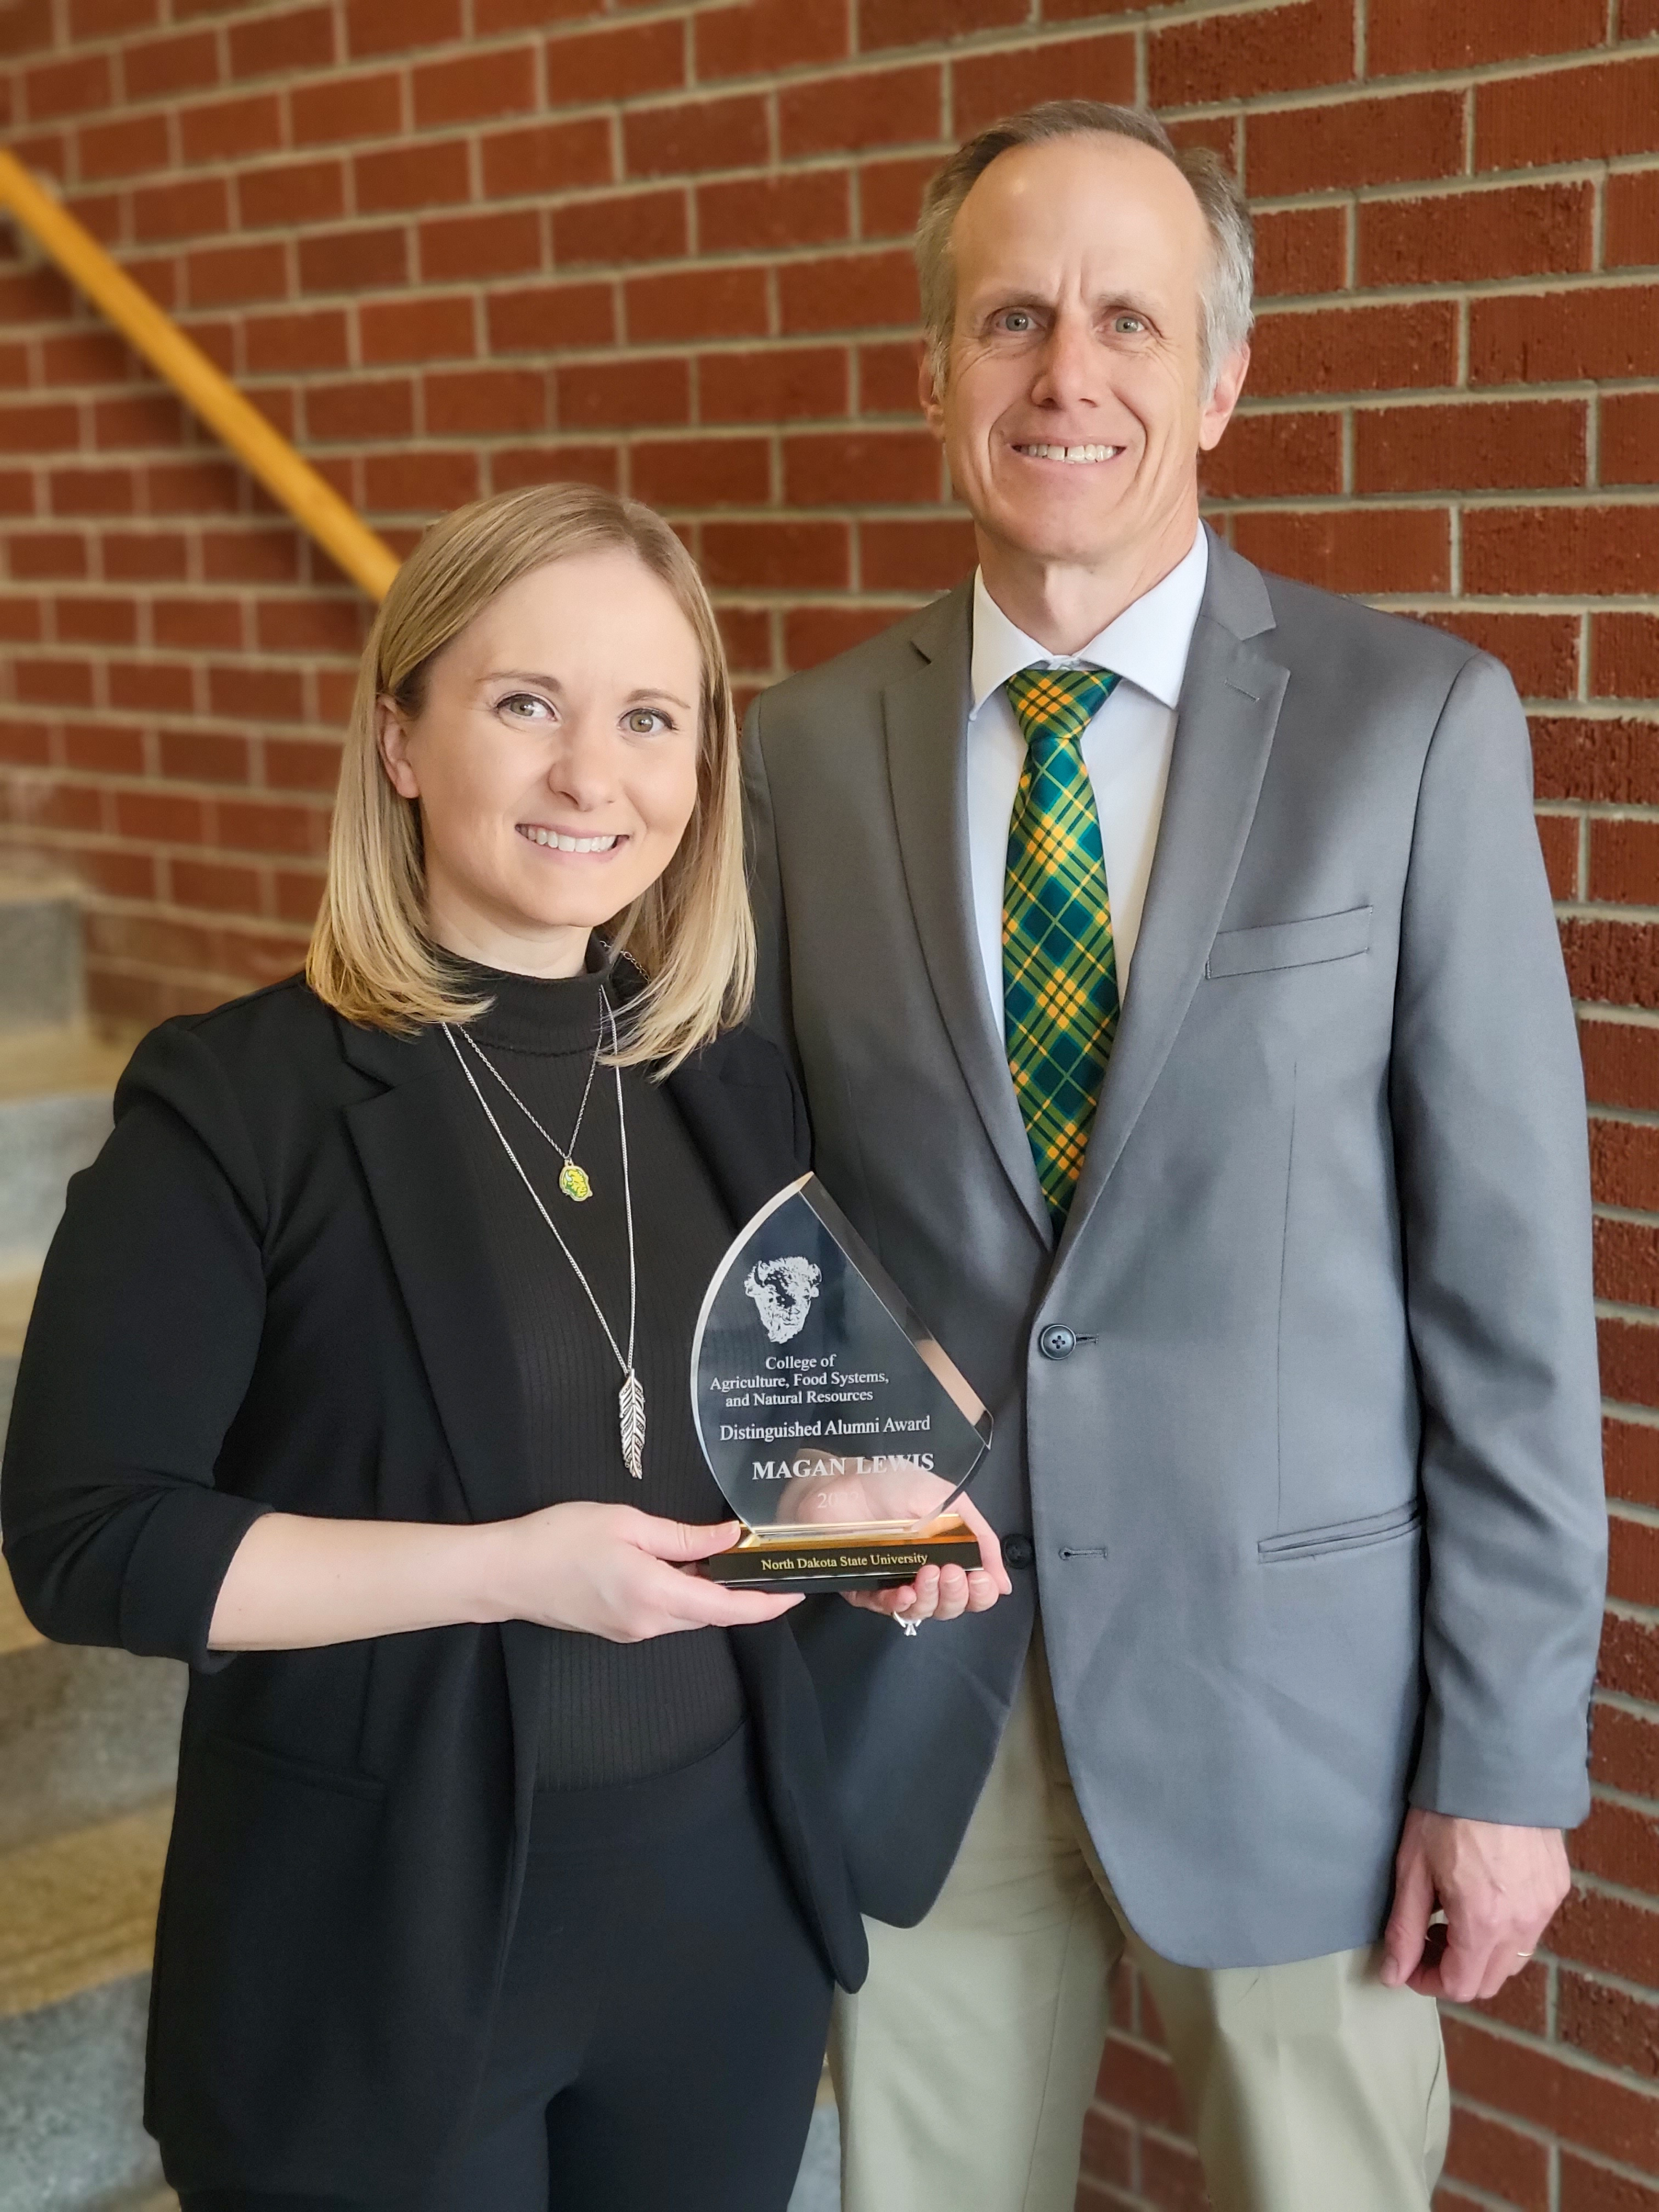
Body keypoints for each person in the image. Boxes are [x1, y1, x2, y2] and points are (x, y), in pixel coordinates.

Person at [744, 101, 1607, 2212]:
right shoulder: (793, 752)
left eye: (1133, 319)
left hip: (1305, 1719)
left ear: (1222, 374)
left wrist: (1505, 1763)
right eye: (1013, 316)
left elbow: (1508, 1296)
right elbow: (757, 1224)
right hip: (910, 1686)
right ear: (934, 371)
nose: (1070, 374)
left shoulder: (1416, 730)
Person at [2, 482, 898, 2212]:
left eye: (649, 718)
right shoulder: (239, 1098)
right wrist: (508, 1570)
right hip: (381, 1950)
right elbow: (86, 1540)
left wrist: (864, 1514)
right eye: (524, 705)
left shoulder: (726, 1078)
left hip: (723, 1930)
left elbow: (770, 1429)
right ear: (402, 738)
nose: (593, 776)